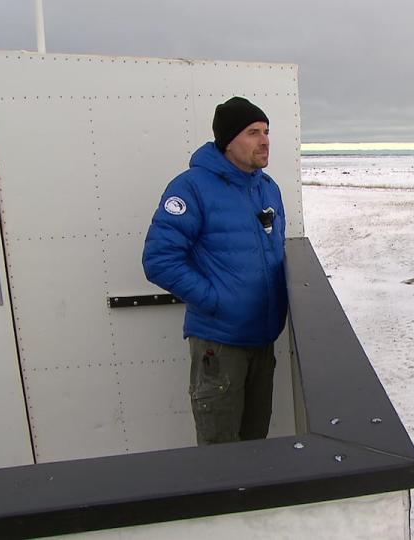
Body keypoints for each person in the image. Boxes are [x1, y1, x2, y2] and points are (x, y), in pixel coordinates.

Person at [142, 97, 287, 446]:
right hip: (220, 345)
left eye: (266, 132)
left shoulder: (267, 188)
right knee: (221, 450)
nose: (265, 140)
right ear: (228, 141)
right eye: (253, 133)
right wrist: (217, 300)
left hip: (263, 339)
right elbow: (159, 259)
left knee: (255, 442)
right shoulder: (192, 187)